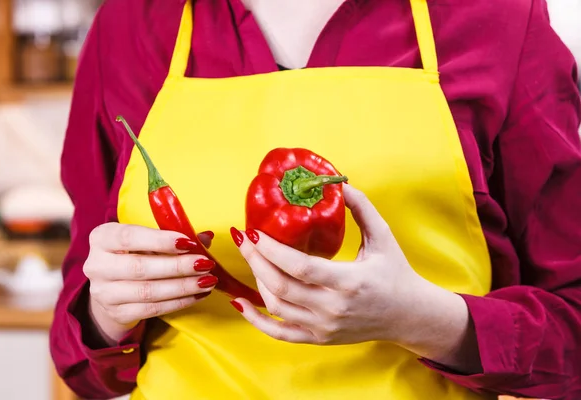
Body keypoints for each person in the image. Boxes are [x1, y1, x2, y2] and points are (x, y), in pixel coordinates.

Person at [49, 0, 581, 399]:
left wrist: (423, 320)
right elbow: (81, 359)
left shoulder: (498, 20)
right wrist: (107, 310)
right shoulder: (131, 23)